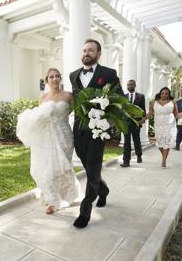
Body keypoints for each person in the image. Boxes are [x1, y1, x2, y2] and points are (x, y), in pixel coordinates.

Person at [69, 39, 123, 228]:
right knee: (89, 166)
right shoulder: (73, 75)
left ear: (99, 54)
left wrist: (108, 121)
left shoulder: (108, 74)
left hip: (98, 130)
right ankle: (103, 189)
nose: (86, 53)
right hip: (79, 129)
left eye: (91, 50)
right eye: (84, 50)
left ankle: (85, 210)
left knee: (93, 166)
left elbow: (120, 99)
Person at [16, 68, 81, 215]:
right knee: (48, 168)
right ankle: (52, 200)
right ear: (47, 80)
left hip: (64, 136)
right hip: (46, 138)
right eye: (51, 77)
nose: (55, 79)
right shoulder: (43, 98)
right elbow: (39, 119)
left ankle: (68, 194)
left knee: (64, 166)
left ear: (60, 78)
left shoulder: (69, 96)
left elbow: (75, 114)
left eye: (57, 76)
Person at [140, 87, 180, 168]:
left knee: (167, 143)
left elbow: (176, 114)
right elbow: (150, 113)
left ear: (168, 95)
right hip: (158, 125)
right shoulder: (155, 102)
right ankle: (164, 156)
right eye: (162, 93)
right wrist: (143, 119)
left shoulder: (172, 102)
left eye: (166, 94)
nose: (164, 95)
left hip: (169, 125)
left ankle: (163, 161)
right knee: (159, 144)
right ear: (160, 94)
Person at [121, 79, 146, 167]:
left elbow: (143, 110)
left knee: (136, 140)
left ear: (135, 86)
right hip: (126, 123)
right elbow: (122, 110)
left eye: (131, 85)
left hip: (136, 122)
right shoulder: (124, 96)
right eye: (128, 85)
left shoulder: (141, 96)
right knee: (126, 142)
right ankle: (126, 161)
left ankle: (139, 155)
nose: (129, 86)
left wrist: (142, 120)